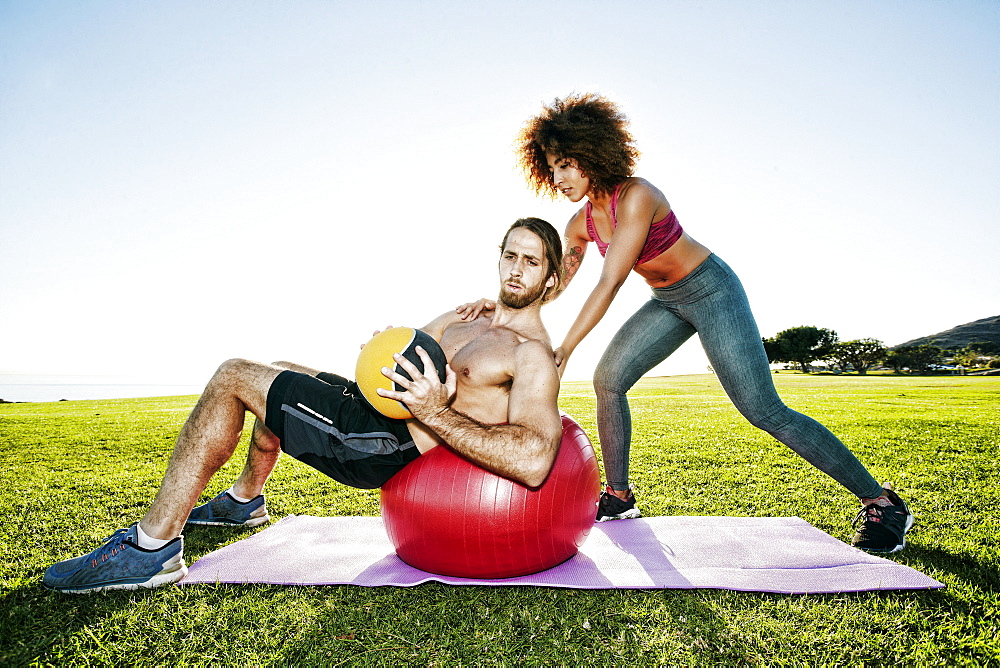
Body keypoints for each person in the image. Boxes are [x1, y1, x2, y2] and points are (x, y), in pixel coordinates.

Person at [459, 94, 912, 553]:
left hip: (713, 291)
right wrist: (502, 303)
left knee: (763, 410)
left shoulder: (637, 197)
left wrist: (565, 349)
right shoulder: (579, 224)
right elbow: (553, 285)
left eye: (568, 164)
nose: (559, 178)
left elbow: (610, 282)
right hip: (668, 302)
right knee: (609, 380)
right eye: (553, 167)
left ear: (594, 153)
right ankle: (618, 496)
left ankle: (883, 502)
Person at [44, 217, 565, 593]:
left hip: (381, 441)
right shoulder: (470, 315)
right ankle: (245, 500)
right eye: (509, 255)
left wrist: (432, 411)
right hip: (371, 405)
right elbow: (408, 349)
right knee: (283, 368)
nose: (516, 269)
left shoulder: (531, 356)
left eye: (532, 261)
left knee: (234, 377)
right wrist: (386, 345)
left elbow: (535, 460)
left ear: (552, 279)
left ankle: (153, 548)